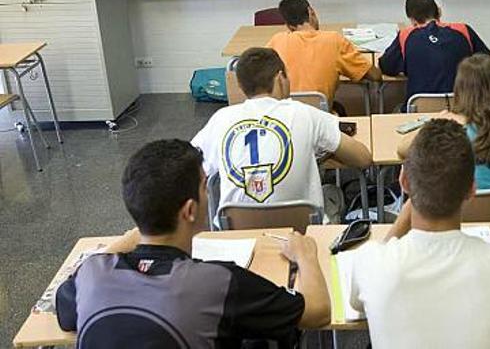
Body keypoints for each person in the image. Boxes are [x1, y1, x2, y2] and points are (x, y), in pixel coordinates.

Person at [55, 139, 331, 347]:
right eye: (203, 187)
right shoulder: (219, 282)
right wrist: (305, 255)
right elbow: (317, 313)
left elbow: (64, 311)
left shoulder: (92, 275)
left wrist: (130, 239)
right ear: (189, 210)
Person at [347, 119, 490, 348]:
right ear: (472, 189)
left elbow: (357, 305)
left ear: (404, 181)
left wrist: (402, 219)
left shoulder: (371, 261)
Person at [192, 47, 371, 225]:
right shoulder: (305, 113)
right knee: (333, 194)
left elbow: (190, 167)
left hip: (238, 235)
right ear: (280, 78)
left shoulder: (221, 118)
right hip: (301, 232)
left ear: (240, 85)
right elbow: (363, 158)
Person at [398, 54, 490, 189]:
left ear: (460, 91)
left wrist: (436, 122)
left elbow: (403, 149)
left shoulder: (450, 126)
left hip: (458, 216)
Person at [266, 0, 381, 111]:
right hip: (321, 116)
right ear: (311, 12)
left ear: (289, 26)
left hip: (285, 118)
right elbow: (375, 75)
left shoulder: (276, 41)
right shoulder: (335, 41)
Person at [379, 0, 490, 104]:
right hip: (463, 107)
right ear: (439, 11)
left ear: (412, 20)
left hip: (420, 110)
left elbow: (386, 67)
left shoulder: (405, 35)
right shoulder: (464, 30)